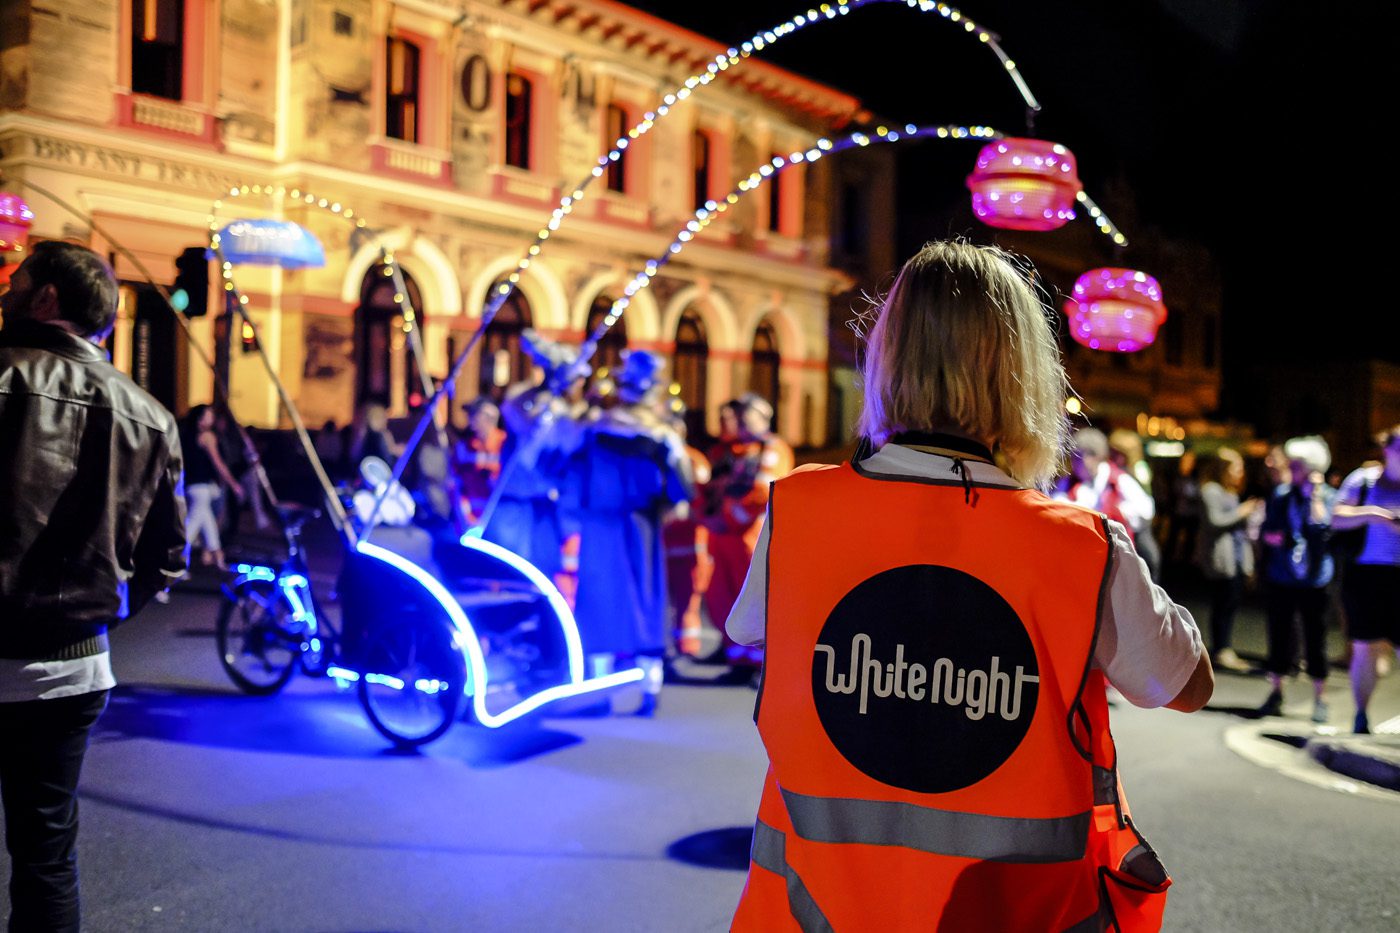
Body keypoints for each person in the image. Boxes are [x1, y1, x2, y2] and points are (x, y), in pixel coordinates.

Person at [726, 241, 1211, 931]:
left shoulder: (799, 511)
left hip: (815, 913)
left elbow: (749, 628)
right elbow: (1187, 685)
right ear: (1023, 375)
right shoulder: (1081, 546)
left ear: (887, 359)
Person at [0, 241, 186, 931]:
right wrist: (90, 614)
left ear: (46, 298)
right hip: (76, 669)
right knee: (47, 857)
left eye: (16, 278)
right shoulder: (150, 415)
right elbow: (165, 557)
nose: (6, 286)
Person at [568, 350, 693, 716]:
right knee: (642, 600)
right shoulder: (662, 436)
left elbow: (566, 469)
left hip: (605, 523)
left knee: (601, 600)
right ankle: (647, 689)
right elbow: (680, 496)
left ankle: (602, 692)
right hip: (639, 525)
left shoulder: (593, 428)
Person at [703, 393, 793, 675]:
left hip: (751, 534)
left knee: (754, 595)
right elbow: (709, 487)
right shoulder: (726, 450)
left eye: (747, 412)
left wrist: (728, 517)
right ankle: (735, 656)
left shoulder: (773, 448)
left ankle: (759, 664)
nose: (741, 418)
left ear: (763, 416)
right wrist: (709, 517)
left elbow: (764, 490)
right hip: (724, 534)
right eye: (739, 412)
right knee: (722, 593)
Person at [1257, 436, 1336, 723]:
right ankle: (1276, 692)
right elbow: (1266, 531)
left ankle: (1320, 698)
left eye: (1297, 466)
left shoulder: (1328, 496)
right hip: (1282, 575)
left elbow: (1322, 528)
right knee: (1279, 634)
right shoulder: (1280, 496)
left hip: (1315, 579)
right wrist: (1274, 537)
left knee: (1316, 637)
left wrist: (1314, 493)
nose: (1291, 470)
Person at [1332, 425, 1400, 734]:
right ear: (1387, 450)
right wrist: (1375, 514)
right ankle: (1361, 716)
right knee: (1364, 647)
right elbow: (1336, 517)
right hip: (1366, 573)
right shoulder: (1363, 480)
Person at [1195, 448, 1264, 673]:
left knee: (1231, 602)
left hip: (1235, 556)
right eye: (1236, 468)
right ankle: (1221, 649)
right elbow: (1214, 522)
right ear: (1222, 469)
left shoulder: (1229, 491)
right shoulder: (1210, 491)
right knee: (1222, 604)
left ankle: (1223, 647)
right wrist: (1243, 512)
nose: (1240, 472)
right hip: (1220, 557)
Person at [178, 403, 245, 571]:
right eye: (209, 415)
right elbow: (218, 463)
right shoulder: (208, 436)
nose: (212, 418)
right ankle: (174, 561)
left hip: (191, 486)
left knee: (208, 524)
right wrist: (233, 483)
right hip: (201, 488)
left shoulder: (187, 435)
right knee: (190, 529)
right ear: (201, 419)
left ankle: (219, 558)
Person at [454, 397, 506, 526]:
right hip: (471, 521)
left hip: (499, 520)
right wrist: (466, 517)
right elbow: (457, 486)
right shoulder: (465, 447)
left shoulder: (505, 445)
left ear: (490, 417)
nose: (470, 420)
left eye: (474, 415)